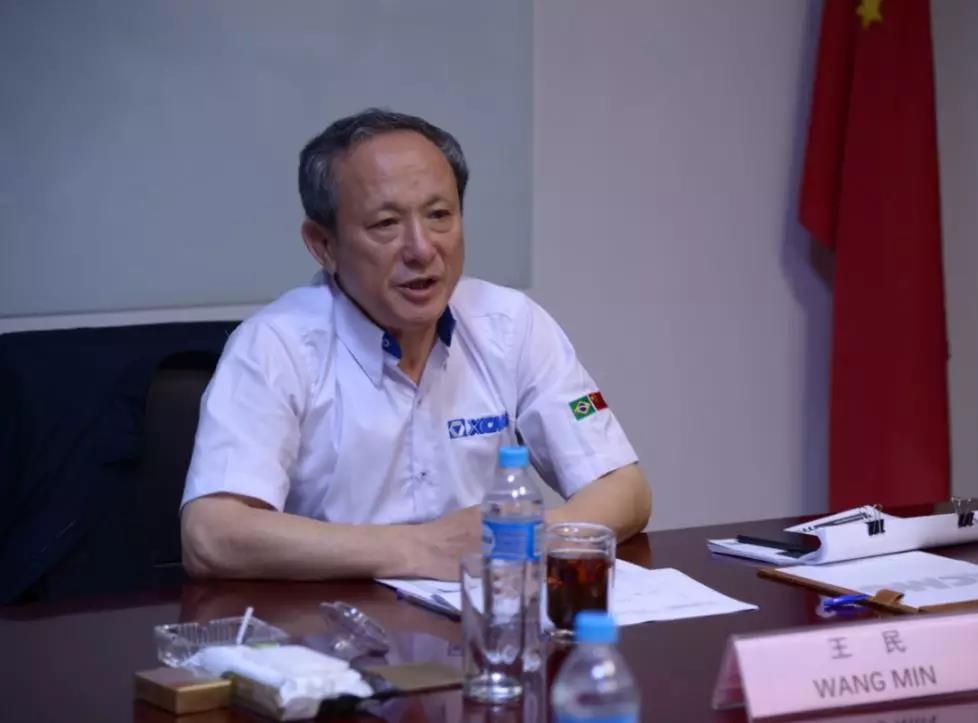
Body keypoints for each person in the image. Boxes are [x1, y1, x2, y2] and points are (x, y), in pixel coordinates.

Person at [180, 109, 651, 581]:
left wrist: (526, 538)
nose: (422, 249)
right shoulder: (275, 346)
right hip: (333, 618)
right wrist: (418, 549)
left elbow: (624, 487)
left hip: (486, 611)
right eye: (386, 223)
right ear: (323, 245)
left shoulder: (511, 325)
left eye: (440, 215)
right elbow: (212, 533)